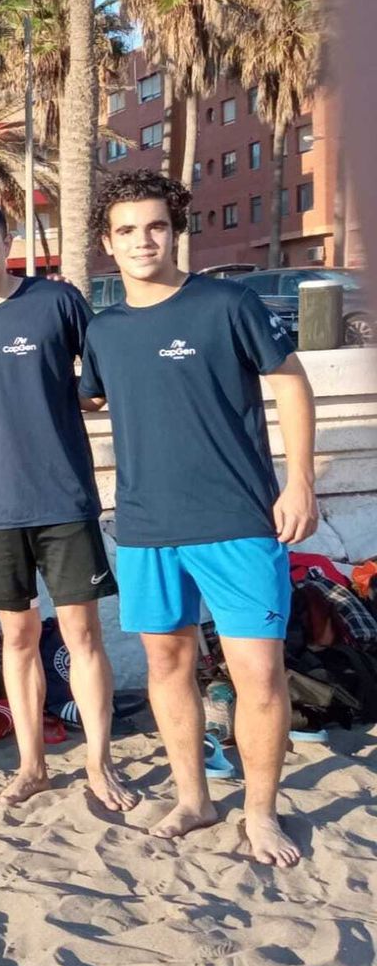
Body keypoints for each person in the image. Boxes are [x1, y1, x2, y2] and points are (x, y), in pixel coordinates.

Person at [79, 170, 317, 868]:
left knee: (259, 675)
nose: (142, 240)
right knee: (167, 663)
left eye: (155, 226)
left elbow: (291, 383)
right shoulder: (105, 330)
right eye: (126, 231)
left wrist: (299, 481)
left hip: (240, 519)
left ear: (174, 230)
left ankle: (261, 812)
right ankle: (194, 798)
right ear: (107, 243)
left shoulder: (226, 303)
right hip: (150, 526)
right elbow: (90, 400)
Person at [0, 199, 132, 810]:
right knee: (16, 639)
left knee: (81, 635)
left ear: (8, 241)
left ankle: (98, 764)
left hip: (63, 497)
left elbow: (99, 382)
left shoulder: (57, 301)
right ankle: (32, 765)